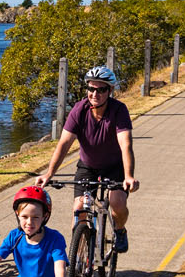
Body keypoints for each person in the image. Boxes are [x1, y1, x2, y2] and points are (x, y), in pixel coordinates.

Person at [41, 64, 139, 254]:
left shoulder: (119, 110)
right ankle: (78, 259)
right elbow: (63, 144)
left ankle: (120, 230)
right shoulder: (79, 110)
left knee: (118, 203)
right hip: (88, 166)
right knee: (79, 208)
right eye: (91, 89)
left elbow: (125, 144)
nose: (95, 94)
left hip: (114, 167)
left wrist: (128, 176)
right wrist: (49, 174)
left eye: (101, 89)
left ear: (110, 90)